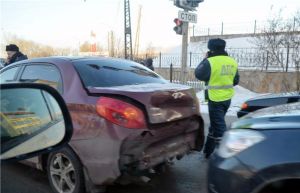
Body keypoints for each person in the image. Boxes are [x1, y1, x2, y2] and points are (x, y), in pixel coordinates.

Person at [195, 38, 239, 158]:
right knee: (215, 124)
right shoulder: (232, 61)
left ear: (211, 49)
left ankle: (228, 156)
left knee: (220, 128)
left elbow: (198, 74)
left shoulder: (210, 61)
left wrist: (205, 59)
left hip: (215, 99)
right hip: (227, 98)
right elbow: (236, 80)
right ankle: (208, 151)